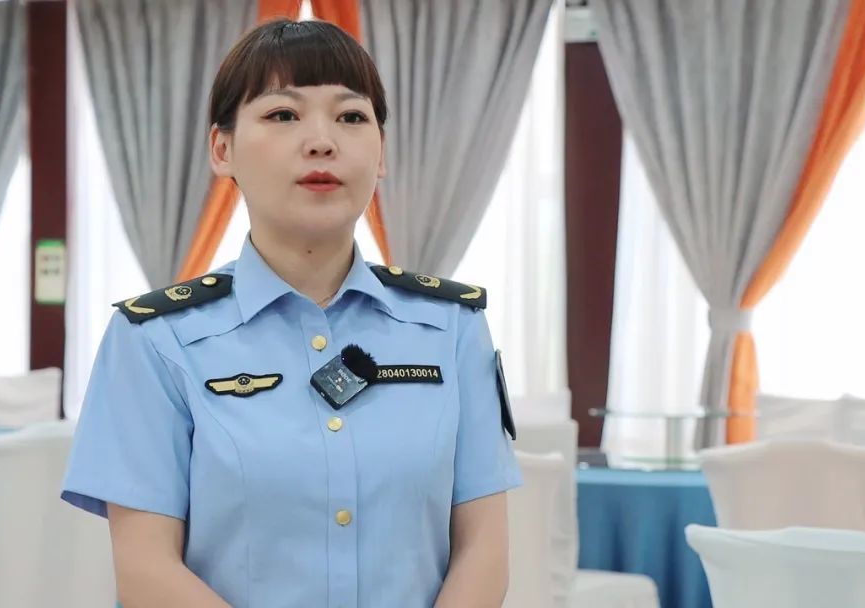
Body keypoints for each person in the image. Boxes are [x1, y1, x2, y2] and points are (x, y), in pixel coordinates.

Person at [61, 18, 521, 608]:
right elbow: (146, 569)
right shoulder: (153, 340)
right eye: (283, 115)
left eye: (351, 117)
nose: (322, 141)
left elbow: (484, 548)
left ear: (381, 153)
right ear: (222, 149)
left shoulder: (451, 328)